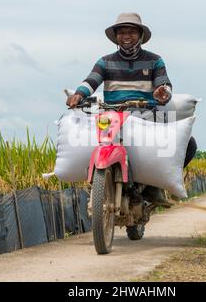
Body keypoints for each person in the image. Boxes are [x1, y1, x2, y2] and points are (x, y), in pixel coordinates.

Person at [67, 13, 197, 206]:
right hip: (113, 116)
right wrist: (79, 94)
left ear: (141, 35)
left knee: (189, 145)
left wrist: (163, 93)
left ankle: (153, 187)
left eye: (131, 32)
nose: (126, 36)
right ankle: (100, 183)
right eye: (121, 32)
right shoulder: (105, 62)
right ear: (116, 36)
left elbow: (164, 84)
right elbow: (91, 80)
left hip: (145, 116)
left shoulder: (155, 61)